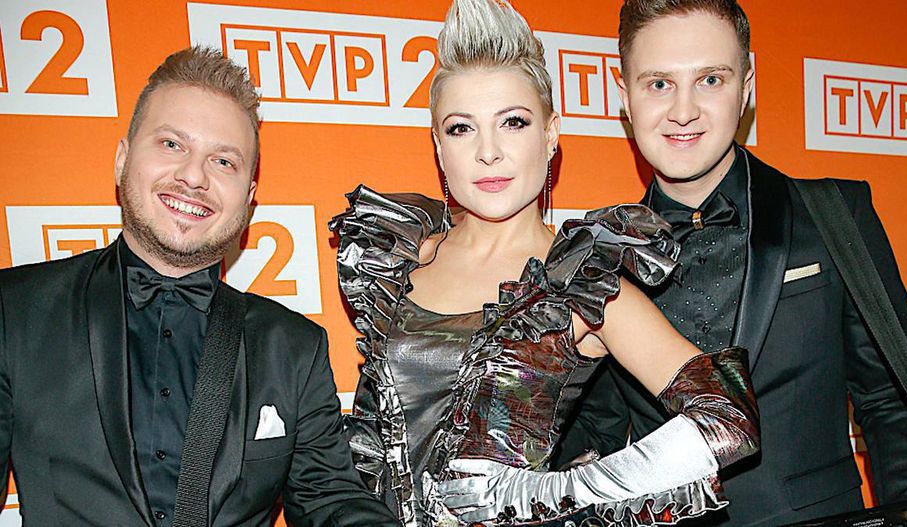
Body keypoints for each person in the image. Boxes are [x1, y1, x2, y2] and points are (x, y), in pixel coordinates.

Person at [328, 1, 759, 525]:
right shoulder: (397, 258)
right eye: (462, 128)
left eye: (513, 122)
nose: (489, 151)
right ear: (439, 146)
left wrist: (550, 494)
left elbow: (729, 419)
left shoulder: (583, 284)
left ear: (550, 135)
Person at [557, 1, 907, 525]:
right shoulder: (598, 258)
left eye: (710, 80)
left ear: (747, 85)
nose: (683, 111)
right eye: (659, 84)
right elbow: (593, 431)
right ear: (625, 96)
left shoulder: (835, 216)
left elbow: (886, 396)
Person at [0, 47, 399, 526]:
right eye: (172, 144)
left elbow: (331, 502)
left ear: (249, 199)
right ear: (122, 161)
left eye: (224, 162)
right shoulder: (15, 310)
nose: (193, 176)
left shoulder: (294, 347)